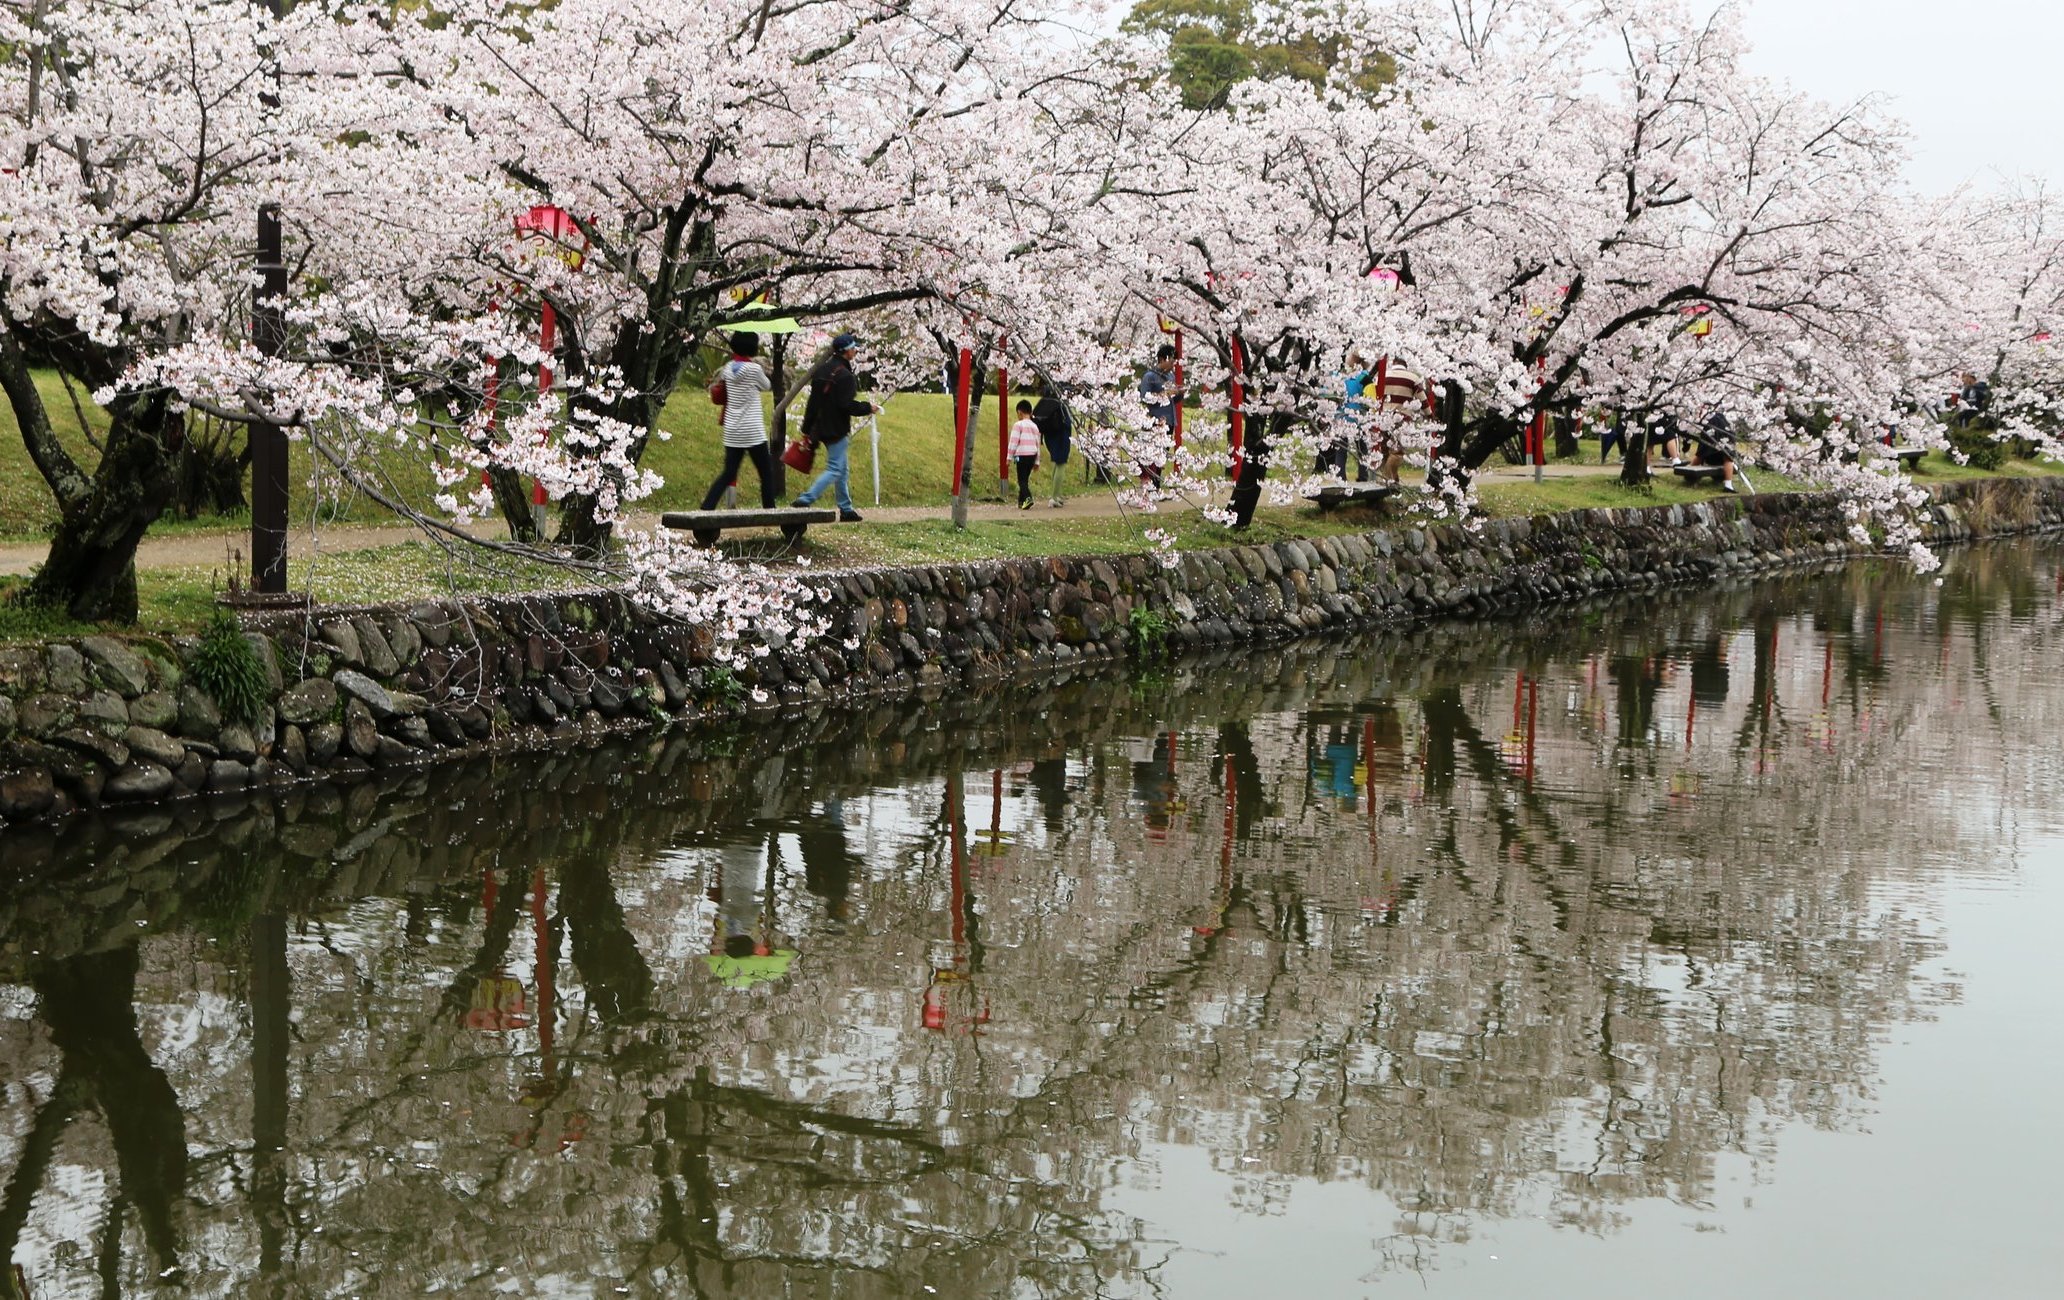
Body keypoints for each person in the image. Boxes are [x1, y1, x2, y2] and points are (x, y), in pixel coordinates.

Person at [793, 332, 876, 522]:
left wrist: (807, 427)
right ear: (846, 352)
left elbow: (813, 401)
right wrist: (867, 407)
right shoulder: (845, 375)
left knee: (842, 469)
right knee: (835, 469)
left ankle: (846, 509)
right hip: (836, 429)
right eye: (854, 348)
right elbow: (846, 405)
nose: (856, 351)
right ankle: (806, 499)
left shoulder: (822, 370)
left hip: (820, 426)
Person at [699, 331, 776, 511]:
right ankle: (770, 510)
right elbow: (767, 385)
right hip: (753, 430)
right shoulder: (754, 369)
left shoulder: (728, 368)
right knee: (766, 473)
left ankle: (707, 506)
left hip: (733, 429)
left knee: (729, 472)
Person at [1324, 350, 1372, 477]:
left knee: (1341, 448)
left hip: (1341, 415)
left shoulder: (1339, 374)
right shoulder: (1364, 376)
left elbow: (1326, 391)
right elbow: (1370, 395)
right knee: (1362, 448)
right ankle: (1364, 475)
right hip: (1359, 416)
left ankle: (1341, 476)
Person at [1139, 343, 1179, 486]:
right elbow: (1144, 397)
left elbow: (1174, 399)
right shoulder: (1149, 376)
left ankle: (1156, 486)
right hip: (1154, 421)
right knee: (1151, 455)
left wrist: (1179, 393)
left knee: (1162, 455)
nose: (1173, 365)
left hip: (1169, 420)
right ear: (1162, 359)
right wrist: (1164, 394)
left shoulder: (1171, 376)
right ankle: (1148, 485)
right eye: (1171, 360)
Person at [1031, 380, 1072, 507]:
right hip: (1061, 435)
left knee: (1057, 463)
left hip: (1049, 436)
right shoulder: (1059, 405)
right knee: (1061, 463)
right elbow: (1066, 422)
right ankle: (1054, 497)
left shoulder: (1045, 402)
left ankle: (1056, 495)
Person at [1694, 408, 1740, 493]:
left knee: (1727, 456)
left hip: (1711, 456)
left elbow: (1699, 455)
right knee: (1728, 457)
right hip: (1714, 457)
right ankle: (1728, 485)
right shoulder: (1725, 427)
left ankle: (1728, 485)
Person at [1008, 399, 1041, 508]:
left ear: (1019, 412)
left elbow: (1013, 441)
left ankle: (1028, 497)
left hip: (1020, 455)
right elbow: (1038, 444)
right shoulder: (1035, 426)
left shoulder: (1018, 425)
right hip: (1032, 455)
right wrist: (1037, 461)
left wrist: (1009, 457)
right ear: (1031, 413)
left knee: (1021, 479)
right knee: (1025, 478)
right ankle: (1021, 501)